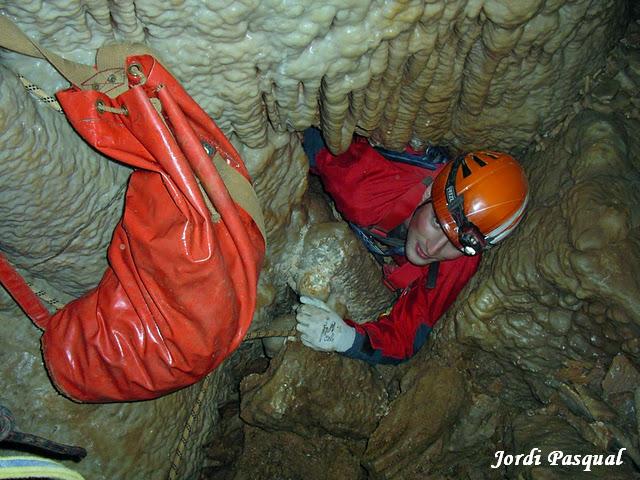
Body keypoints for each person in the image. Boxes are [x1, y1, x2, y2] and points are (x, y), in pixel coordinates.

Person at [295, 129, 529, 364]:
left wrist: (344, 338)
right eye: (437, 223)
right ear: (429, 192)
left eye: (456, 245)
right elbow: (306, 139)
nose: (434, 248)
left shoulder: (461, 259)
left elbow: (407, 335)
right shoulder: (365, 190)